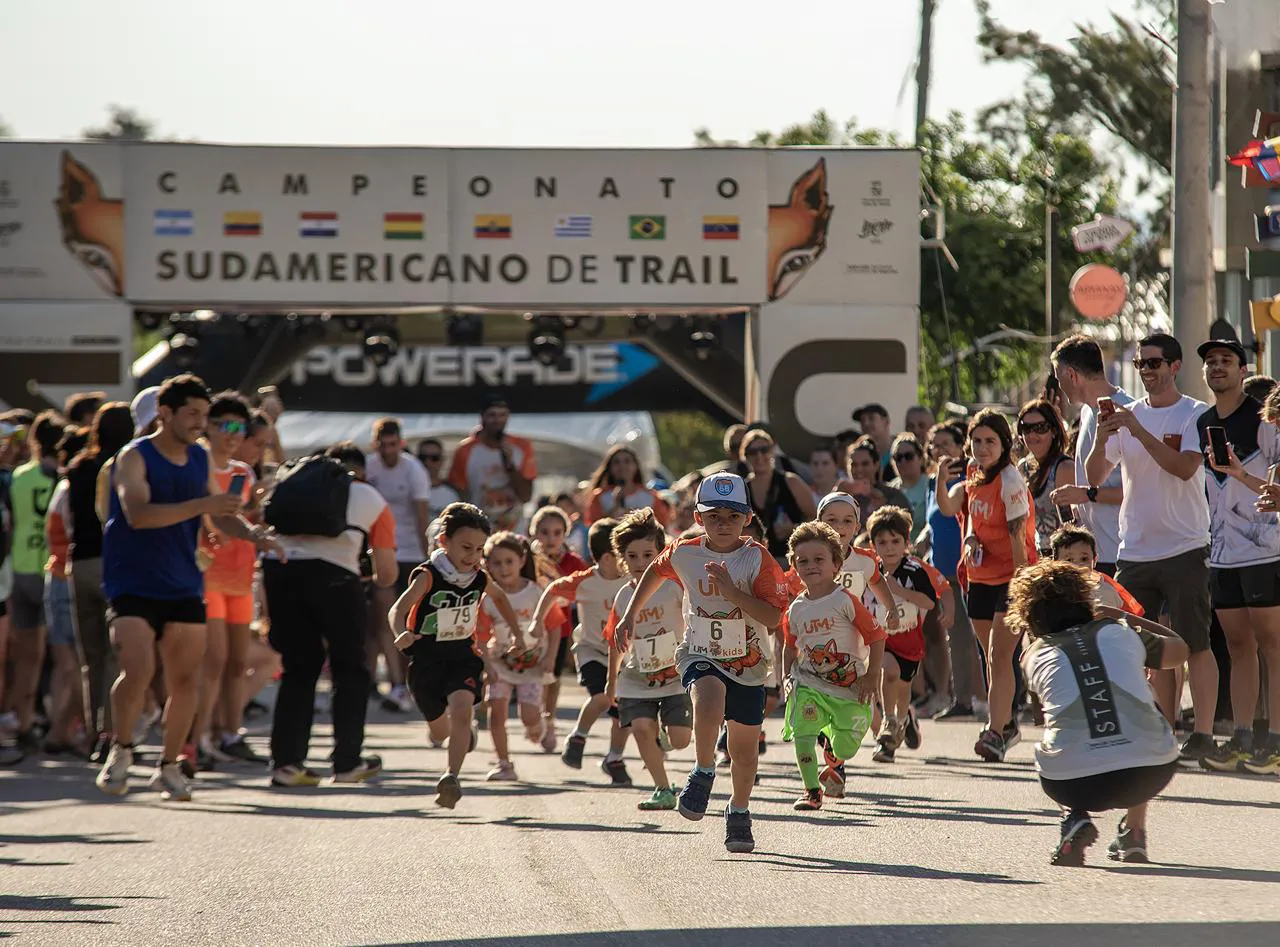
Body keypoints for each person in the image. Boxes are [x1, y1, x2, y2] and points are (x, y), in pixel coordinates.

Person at [95, 374, 281, 802]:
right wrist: (204, 507)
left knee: (186, 680)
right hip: (132, 580)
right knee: (138, 668)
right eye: (193, 414)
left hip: (182, 581)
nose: (201, 422)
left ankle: (170, 764)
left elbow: (220, 514)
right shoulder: (134, 457)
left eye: (204, 414)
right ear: (165, 413)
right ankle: (121, 749)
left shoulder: (198, 460)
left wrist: (256, 536)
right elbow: (138, 513)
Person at [613, 472, 788, 854]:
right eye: (713, 516)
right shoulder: (684, 551)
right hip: (700, 651)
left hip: (749, 661)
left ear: (746, 518)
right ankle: (703, 770)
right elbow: (653, 574)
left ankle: (738, 810)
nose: (722, 523)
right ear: (698, 517)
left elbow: (774, 618)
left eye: (731, 515)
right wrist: (629, 615)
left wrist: (730, 592)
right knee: (708, 698)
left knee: (744, 751)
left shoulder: (756, 559)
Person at [1084, 333, 1217, 762]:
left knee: (1194, 642)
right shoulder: (1127, 415)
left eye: (1154, 363)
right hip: (1135, 549)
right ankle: (1160, 726)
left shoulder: (1195, 414)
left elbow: (1182, 469)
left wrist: (1137, 430)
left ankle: (1204, 733)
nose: (1146, 371)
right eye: (1141, 364)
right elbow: (1094, 474)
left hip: (1184, 546)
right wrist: (1104, 437)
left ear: (1175, 366)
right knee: (1138, 647)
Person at [1010, 560, 1185, 866]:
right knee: (1143, 704)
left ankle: (1073, 816)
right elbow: (1180, 650)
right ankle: (1134, 833)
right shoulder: (1121, 631)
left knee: (1061, 725)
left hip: (1072, 781)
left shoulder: (1033, 656)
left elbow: (1049, 712)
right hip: (1150, 770)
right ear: (1086, 599)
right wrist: (1125, 617)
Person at [389, 502, 525, 808]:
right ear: (443, 542)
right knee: (440, 731)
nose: (472, 557)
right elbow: (399, 608)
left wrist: (516, 633)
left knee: (463, 708)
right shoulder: (428, 575)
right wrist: (400, 632)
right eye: (465, 547)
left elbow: (501, 599)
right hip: (426, 660)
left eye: (479, 549)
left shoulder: (479, 577)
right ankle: (460, 736)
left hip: (462, 655)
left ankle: (451, 776)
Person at [1195, 338, 1280, 773]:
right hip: (1223, 553)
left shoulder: (1264, 418)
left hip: (1267, 547)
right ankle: (1243, 735)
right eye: (1210, 362)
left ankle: (1276, 741)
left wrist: (1242, 475)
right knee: (1237, 643)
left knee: (1272, 643)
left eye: (1226, 361)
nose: (1217, 367)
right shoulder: (1203, 421)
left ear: (1243, 370)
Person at [934, 409, 1037, 762]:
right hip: (979, 578)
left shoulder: (1010, 480)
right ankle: (1006, 725)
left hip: (1012, 578)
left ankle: (997, 730)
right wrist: (971, 540)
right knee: (991, 659)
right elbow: (954, 511)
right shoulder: (973, 476)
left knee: (999, 654)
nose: (982, 447)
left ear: (1004, 443)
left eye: (990, 441)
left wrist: (1022, 586)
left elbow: (1018, 539)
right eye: (976, 441)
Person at [781, 521, 884, 811]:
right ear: (794, 566)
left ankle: (833, 754)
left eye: (819, 559)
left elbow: (876, 636)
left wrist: (873, 675)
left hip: (850, 689)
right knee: (802, 737)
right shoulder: (795, 609)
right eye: (803, 561)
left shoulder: (845, 600)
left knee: (846, 748)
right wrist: (787, 677)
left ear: (836, 564)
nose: (811, 566)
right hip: (809, 686)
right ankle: (812, 791)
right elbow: (790, 646)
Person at [528, 518, 631, 784]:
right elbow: (552, 590)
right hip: (592, 651)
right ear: (608, 558)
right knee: (602, 698)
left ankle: (615, 757)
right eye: (625, 554)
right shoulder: (585, 581)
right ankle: (578, 736)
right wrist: (537, 621)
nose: (631, 560)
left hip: (625, 656)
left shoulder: (633, 580)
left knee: (623, 710)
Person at [190, 392, 262, 770]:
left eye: (240, 427)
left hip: (240, 575)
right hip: (205, 576)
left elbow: (242, 519)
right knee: (213, 661)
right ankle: (197, 739)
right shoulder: (196, 463)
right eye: (226, 426)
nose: (234, 434)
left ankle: (230, 733)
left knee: (237, 661)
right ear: (209, 427)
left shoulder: (243, 473)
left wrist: (258, 526)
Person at [604, 508, 692, 810]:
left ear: (661, 553)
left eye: (647, 555)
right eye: (632, 556)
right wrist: (610, 682)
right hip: (636, 677)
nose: (640, 563)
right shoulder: (623, 598)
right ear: (622, 559)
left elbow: (694, 618)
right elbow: (615, 640)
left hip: (676, 675)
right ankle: (663, 789)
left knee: (681, 740)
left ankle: (666, 741)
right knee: (641, 728)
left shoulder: (674, 585)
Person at [62, 402, 134, 762]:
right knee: (114, 657)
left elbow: (65, 515)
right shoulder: (128, 464)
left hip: (80, 563)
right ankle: (111, 733)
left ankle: (95, 734)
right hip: (114, 562)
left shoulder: (77, 467)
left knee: (90, 657)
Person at [477, 531, 564, 782]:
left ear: (522, 560)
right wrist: (486, 665)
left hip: (533, 663)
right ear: (487, 564)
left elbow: (555, 626)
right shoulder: (487, 598)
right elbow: (481, 635)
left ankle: (540, 725)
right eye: (495, 562)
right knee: (496, 712)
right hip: (500, 662)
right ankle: (504, 764)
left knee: (529, 717)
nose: (503, 568)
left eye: (509, 561)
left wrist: (550, 657)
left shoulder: (535, 593)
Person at [5, 410, 65, 747]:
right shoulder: (62, 478)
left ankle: (24, 720)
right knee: (54, 655)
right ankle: (54, 723)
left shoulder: (18, 477)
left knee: (25, 654)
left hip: (20, 567)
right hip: (49, 570)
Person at [365, 418, 432, 714]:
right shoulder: (369, 467)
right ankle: (395, 682)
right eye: (382, 444)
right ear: (375, 443)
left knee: (411, 620)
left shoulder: (414, 470)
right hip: (380, 551)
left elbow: (421, 517)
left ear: (400, 443)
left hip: (411, 552)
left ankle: (411, 680)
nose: (387, 450)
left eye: (393, 444)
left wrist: (427, 556)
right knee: (383, 614)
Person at [1050, 335, 1132, 575]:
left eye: (1059, 377)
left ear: (1072, 375)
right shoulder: (1088, 412)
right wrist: (1078, 507)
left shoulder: (1128, 411)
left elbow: (1142, 488)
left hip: (1123, 551)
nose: (1059, 385)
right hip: (1093, 553)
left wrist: (1086, 494)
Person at [866, 506, 941, 763]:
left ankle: (903, 716)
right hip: (880, 637)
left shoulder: (914, 570)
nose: (889, 548)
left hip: (908, 635)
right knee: (889, 674)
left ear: (907, 542)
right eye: (882, 542)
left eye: (895, 541)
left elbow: (930, 602)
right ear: (873, 544)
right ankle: (889, 725)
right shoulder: (870, 571)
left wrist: (899, 590)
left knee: (903, 685)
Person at [923, 421, 983, 721]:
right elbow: (933, 522)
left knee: (981, 637)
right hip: (941, 572)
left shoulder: (969, 479)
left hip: (971, 570)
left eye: (947, 443)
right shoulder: (932, 483)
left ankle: (991, 699)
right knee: (956, 637)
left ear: (962, 447)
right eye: (935, 444)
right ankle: (963, 700)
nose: (941, 449)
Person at [41, 424, 90, 755]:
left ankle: (61, 730)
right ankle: (68, 730)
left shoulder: (63, 487)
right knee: (75, 665)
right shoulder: (72, 488)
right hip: (64, 579)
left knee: (66, 665)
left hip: (58, 576)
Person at [528, 504, 588, 752]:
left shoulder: (573, 562)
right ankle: (531, 717)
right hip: (528, 626)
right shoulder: (527, 560)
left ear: (565, 534)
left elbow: (587, 589)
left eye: (556, 532)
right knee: (529, 675)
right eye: (544, 532)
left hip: (560, 627)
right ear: (534, 532)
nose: (550, 538)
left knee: (551, 677)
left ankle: (548, 720)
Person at [446, 394, 536, 531]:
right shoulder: (465, 450)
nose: (497, 420)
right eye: (492, 415)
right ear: (482, 416)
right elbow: (460, 496)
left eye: (502, 415)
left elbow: (525, 496)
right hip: (479, 530)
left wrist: (510, 466)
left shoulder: (522, 447)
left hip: (514, 530)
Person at [740, 428, 816, 563]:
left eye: (764, 450)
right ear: (744, 456)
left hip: (790, 559)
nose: (759, 456)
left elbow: (816, 519)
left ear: (772, 451)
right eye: (752, 452)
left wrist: (794, 528)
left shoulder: (791, 481)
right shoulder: (741, 489)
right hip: (753, 561)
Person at [1016, 399, 1074, 557]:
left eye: (1040, 428)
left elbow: (1070, 527)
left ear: (1054, 431)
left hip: (1060, 558)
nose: (1032, 434)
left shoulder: (1064, 468)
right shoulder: (1023, 468)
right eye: (1026, 428)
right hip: (1033, 556)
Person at [1050, 524, 1144, 617]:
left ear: (1094, 560)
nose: (1077, 565)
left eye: (1084, 559)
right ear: (1055, 563)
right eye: (1069, 560)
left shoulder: (1106, 591)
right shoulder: (1051, 594)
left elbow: (1129, 621)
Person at [584, 445, 671, 527]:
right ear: (610, 467)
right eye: (616, 462)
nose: (622, 466)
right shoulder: (600, 496)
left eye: (627, 461)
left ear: (635, 466)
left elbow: (663, 524)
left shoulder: (649, 496)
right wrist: (615, 508)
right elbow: (593, 527)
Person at [887, 433, 929, 544]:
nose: (903, 461)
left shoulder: (932, 486)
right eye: (898, 457)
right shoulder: (888, 490)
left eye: (908, 456)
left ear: (921, 458)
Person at [415, 437, 460, 520]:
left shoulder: (452, 494)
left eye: (434, 458)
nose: (428, 462)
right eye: (423, 458)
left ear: (442, 460)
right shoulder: (407, 491)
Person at [853, 403, 894, 478]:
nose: (866, 423)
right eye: (862, 420)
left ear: (886, 421)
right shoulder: (858, 456)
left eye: (871, 418)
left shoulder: (902, 454)